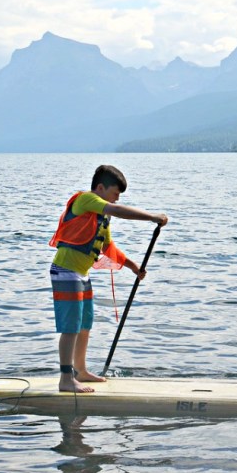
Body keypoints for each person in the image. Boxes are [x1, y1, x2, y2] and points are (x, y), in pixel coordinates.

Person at [49, 165, 167, 393]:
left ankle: (80, 371)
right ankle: (65, 379)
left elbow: (108, 247)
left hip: (81, 274)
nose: (116, 199)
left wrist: (134, 267)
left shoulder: (102, 217)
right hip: (65, 271)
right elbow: (118, 210)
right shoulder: (85, 199)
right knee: (71, 327)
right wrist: (152, 217)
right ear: (100, 188)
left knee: (85, 325)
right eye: (114, 194)